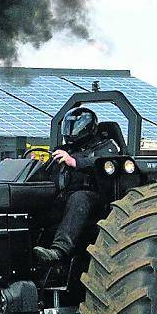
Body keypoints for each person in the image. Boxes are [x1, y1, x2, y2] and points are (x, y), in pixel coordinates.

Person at [33, 107, 122, 264]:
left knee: (79, 198)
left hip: (95, 198)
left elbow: (105, 164)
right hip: (63, 197)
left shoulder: (106, 147)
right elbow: (44, 174)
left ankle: (60, 250)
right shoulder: (64, 150)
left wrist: (75, 162)